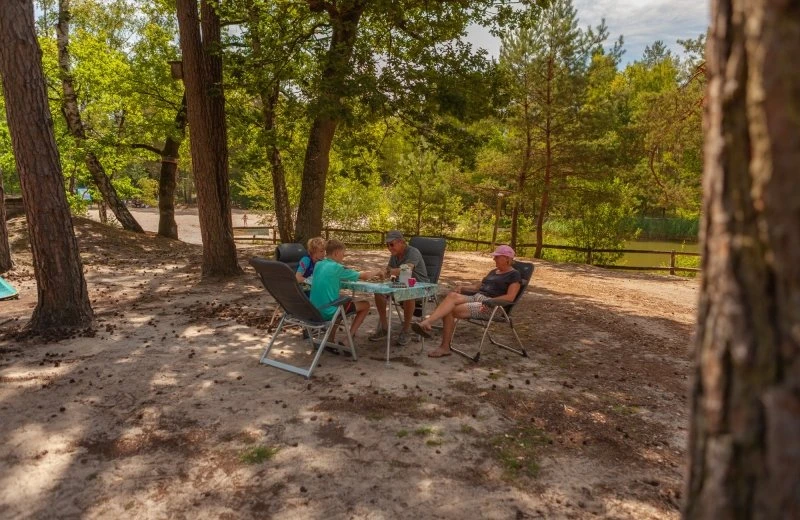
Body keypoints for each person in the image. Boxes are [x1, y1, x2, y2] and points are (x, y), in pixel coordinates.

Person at [412, 245, 521, 358]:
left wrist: (489, 301)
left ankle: (443, 345)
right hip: (477, 298)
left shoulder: (514, 275)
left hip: (491, 306)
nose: (494, 259)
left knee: (449, 311)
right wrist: (463, 287)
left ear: (507, 259)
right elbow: (477, 287)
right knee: (452, 295)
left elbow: (510, 297)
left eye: (497, 257)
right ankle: (428, 322)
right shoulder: (494, 272)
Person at [309, 239, 383, 344]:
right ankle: (348, 339)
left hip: (313, 310)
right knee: (365, 305)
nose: (343, 258)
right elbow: (365, 276)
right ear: (336, 253)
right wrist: (378, 271)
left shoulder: (318, 265)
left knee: (338, 304)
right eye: (343, 254)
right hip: (327, 312)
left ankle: (330, 339)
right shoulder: (337, 268)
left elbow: (329, 281)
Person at [368, 230, 429, 346]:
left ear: (401, 242)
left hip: (419, 285)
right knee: (378, 291)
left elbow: (407, 269)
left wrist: (388, 272)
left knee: (408, 293)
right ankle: (384, 328)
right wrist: (378, 274)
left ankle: (406, 331)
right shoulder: (394, 255)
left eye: (391, 244)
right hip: (402, 284)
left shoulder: (413, 252)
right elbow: (388, 271)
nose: (389, 248)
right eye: (387, 245)